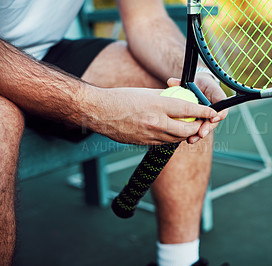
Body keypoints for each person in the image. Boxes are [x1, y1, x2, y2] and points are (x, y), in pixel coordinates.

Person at [0, 0, 228, 265]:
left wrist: (191, 73)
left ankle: (179, 261)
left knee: (185, 98)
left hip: (44, 53)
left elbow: (147, 19)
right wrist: (95, 107)